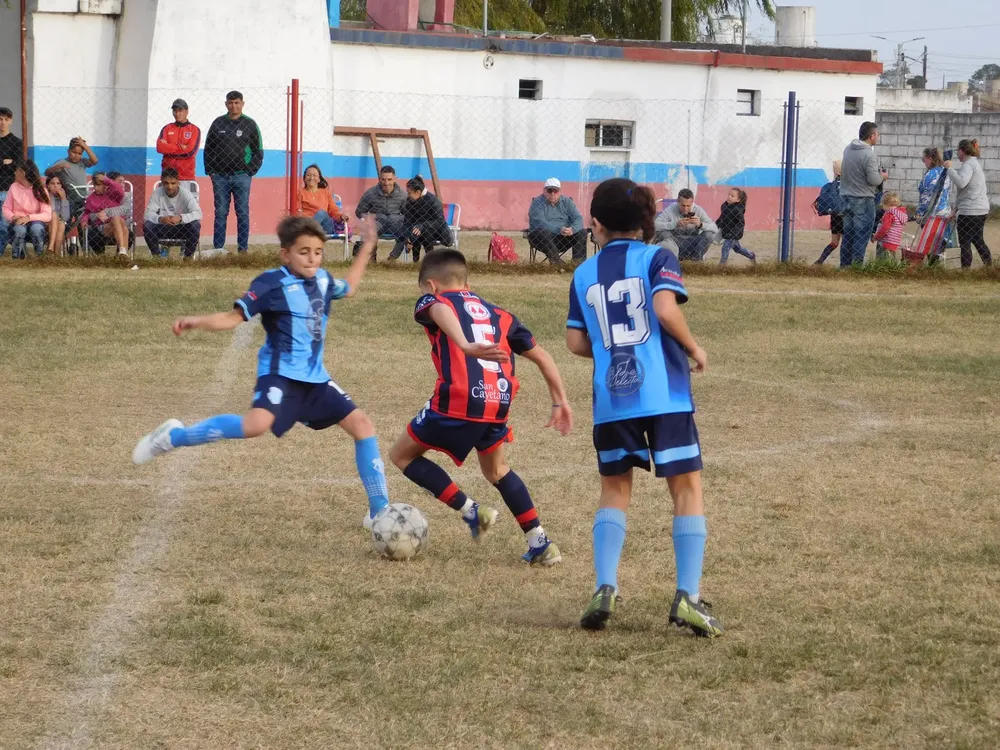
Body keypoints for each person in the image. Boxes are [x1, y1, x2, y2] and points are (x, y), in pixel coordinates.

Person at [132, 215, 393, 530]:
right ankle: (173, 436)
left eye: (317, 252)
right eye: (303, 251)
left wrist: (368, 245)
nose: (312, 258)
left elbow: (348, 287)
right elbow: (232, 318)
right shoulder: (270, 283)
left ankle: (380, 511)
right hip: (279, 375)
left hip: (315, 378)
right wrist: (195, 321)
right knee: (256, 425)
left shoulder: (323, 280)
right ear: (286, 254)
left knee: (363, 425)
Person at [565, 177, 723, 638]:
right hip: (665, 396)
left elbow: (576, 341)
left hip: (613, 398)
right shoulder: (659, 257)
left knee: (614, 489)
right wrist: (694, 348)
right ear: (648, 222)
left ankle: (604, 586)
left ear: (594, 223)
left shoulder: (583, 272)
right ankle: (687, 598)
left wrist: (613, 351)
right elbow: (666, 309)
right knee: (686, 488)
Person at [388, 249, 572, 565]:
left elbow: (440, 311)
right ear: (467, 282)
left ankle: (473, 512)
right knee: (497, 470)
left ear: (431, 286)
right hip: (497, 402)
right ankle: (539, 541)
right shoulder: (500, 314)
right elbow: (542, 356)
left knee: (401, 455)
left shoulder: (434, 301)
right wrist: (561, 400)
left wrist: (463, 344)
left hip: (458, 400)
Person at [203, 90, 263, 255]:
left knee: (242, 212)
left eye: (237, 102)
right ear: (226, 104)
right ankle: (218, 249)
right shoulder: (217, 123)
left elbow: (258, 151)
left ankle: (242, 249)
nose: (233, 105)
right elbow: (208, 148)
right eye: (230, 102)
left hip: (241, 176)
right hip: (220, 177)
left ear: (242, 104)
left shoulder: (250, 124)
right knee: (221, 212)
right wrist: (211, 172)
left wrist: (250, 171)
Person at [840, 121, 888, 267]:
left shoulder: (848, 149)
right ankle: (857, 266)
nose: (878, 137)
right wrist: (883, 177)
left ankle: (845, 265)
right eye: (877, 134)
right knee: (861, 235)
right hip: (863, 198)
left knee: (848, 234)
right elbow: (873, 180)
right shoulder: (869, 154)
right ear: (872, 135)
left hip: (846, 196)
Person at [945, 139, 992, 268]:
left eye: (957, 151)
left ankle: (965, 272)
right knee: (978, 240)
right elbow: (965, 192)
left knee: (965, 242)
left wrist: (950, 168)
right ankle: (990, 268)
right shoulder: (974, 164)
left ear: (961, 151)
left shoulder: (968, 165)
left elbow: (961, 183)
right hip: (980, 209)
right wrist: (954, 210)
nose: (957, 155)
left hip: (970, 211)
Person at [143, 167, 204, 258]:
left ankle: (188, 257)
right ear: (162, 182)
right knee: (147, 226)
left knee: (195, 225)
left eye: (173, 183)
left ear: (178, 182)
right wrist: (160, 219)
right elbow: (147, 214)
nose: (169, 186)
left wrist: (181, 218)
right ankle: (157, 257)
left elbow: (198, 213)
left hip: (181, 228)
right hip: (163, 227)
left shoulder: (185, 194)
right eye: (166, 183)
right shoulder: (157, 193)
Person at [527, 178, 587, 264]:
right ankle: (557, 263)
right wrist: (559, 229)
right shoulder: (537, 203)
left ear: (560, 191)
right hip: (543, 239)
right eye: (549, 190)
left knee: (582, 232)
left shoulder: (567, 202)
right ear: (544, 191)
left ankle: (578, 264)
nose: (552, 193)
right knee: (543, 231)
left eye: (555, 191)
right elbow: (539, 222)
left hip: (564, 238)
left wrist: (572, 229)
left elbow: (578, 218)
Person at [353, 165, 406, 261]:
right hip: (377, 222)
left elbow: (407, 213)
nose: (386, 183)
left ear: (395, 179)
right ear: (379, 179)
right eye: (383, 179)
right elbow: (360, 211)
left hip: (395, 223)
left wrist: (402, 220)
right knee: (370, 230)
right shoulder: (370, 193)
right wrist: (366, 219)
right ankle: (372, 258)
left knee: (405, 232)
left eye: (389, 179)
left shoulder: (403, 195)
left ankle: (392, 259)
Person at [2, 159, 51, 258]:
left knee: (36, 228)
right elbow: (6, 208)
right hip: (18, 221)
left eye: (16, 170)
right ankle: (18, 258)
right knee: (19, 230)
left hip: (35, 221)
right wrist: (13, 217)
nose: (14, 173)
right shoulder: (13, 187)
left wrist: (29, 217)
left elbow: (47, 215)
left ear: (23, 173)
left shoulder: (40, 189)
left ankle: (40, 257)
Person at [653, 188, 719, 261]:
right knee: (663, 232)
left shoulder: (698, 210)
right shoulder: (671, 209)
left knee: (709, 234)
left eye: (688, 206)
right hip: (674, 243)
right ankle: (673, 260)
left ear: (692, 202)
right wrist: (675, 224)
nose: (686, 209)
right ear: (678, 202)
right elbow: (656, 225)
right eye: (683, 205)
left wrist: (701, 224)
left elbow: (715, 228)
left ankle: (696, 261)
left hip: (694, 244)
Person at [912, 148, 952, 262]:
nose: (923, 162)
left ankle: (932, 265)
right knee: (938, 241)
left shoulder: (930, 174)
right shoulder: (945, 171)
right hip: (944, 212)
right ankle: (936, 264)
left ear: (929, 159)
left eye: (923, 159)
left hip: (931, 214)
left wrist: (919, 214)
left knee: (929, 241)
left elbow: (926, 197)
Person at [401, 175, 453, 262]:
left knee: (424, 231)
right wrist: (407, 237)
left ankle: (430, 261)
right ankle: (416, 261)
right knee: (415, 230)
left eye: (410, 193)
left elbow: (439, 221)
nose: (408, 195)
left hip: (437, 230)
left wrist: (422, 225)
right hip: (417, 230)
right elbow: (407, 221)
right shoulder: (409, 202)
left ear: (418, 192)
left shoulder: (433, 201)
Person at [44, 136, 98, 220]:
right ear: (68, 151)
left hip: (83, 198)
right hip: (70, 198)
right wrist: (58, 166)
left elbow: (95, 161)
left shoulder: (82, 162)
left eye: (79, 153)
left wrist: (85, 147)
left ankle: (82, 232)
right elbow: (47, 172)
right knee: (67, 219)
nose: (76, 156)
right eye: (74, 152)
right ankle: (64, 230)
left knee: (83, 219)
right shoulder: (63, 162)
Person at [79, 172, 129, 256]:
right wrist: (84, 220)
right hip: (103, 226)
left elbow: (120, 189)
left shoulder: (113, 194)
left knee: (118, 221)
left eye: (99, 185)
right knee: (119, 222)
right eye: (95, 185)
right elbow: (86, 212)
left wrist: (106, 180)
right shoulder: (91, 198)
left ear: (106, 185)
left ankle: (122, 253)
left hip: (118, 225)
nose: (96, 188)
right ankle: (123, 253)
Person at [156, 99, 201, 182]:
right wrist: (181, 147)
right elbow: (160, 148)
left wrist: (168, 148)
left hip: (186, 177)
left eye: (180, 110)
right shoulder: (166, 128)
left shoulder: (194, 129)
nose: (177, 113)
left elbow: (190, 152)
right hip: (167, 176)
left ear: (187, 112)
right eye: (175, 111)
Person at [0, 106, 24, 255]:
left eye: (6, 119)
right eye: (0, 119)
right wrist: (5, 162)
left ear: (11, 121)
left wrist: (11, 163)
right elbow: (10, 163)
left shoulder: (16, 142)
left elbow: (19, 164)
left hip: (8, 190)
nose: (2, 122)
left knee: (3, 224)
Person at [296, 164, 344, 236]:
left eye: (314, 175)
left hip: (325, 227)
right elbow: (297, 211)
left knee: (321, 213)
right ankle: (311, 230)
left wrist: (341, 216)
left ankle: (309, 231)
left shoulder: (325, 192)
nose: (311, 178)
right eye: (308, 175)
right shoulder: (300, 193)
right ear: (304, 178)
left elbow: (333, 210)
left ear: (319, 179)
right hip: (306, 223)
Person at [813, 160, 844, 265]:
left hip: (835, 217)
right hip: (846, 217)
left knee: (834, 243)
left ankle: (820, 261)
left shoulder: (831, 186)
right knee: (848, 242)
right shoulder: (848, 185)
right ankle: (845, 264)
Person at [716, 188, 755, 264]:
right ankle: (751, 255)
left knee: (725, 248)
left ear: (738, 200)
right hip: (727, 233)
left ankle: (721, 266)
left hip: (733, 234)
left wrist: (735, 234)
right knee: (738, 249)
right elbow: (722, 218)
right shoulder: (724, 207)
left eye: (732, 196)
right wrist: (716, 225)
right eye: (729, 195)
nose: (729, 197)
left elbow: (741, 223)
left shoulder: (737, 210)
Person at [871, 192, 908, 256]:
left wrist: (876, 237)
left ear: (886, 204)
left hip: (885, 243)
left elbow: (884, 229)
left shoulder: (889, 214)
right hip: (894, 243)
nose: (882, 208)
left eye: (882, 205)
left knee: (881, 262)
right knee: (890, 262)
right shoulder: (900, 215)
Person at [46, 175, 70, 254]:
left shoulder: (64, 198)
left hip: (59, 225)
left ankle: (54, 253)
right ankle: (56, 255)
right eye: (52, 183)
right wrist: (50, 196)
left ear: (62, 186)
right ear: (48, 186)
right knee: (55, 217)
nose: (56, 186)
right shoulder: (45, 196)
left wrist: (63, 199)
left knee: (62, 223)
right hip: (46, 222)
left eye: (58, 183)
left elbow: (65, 218)